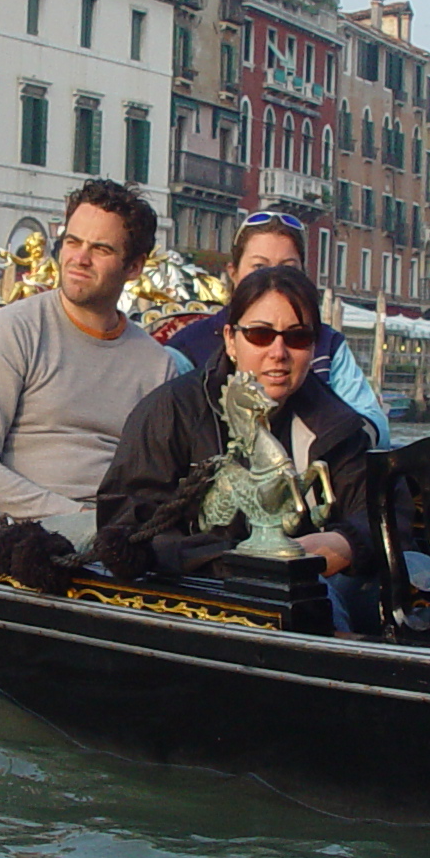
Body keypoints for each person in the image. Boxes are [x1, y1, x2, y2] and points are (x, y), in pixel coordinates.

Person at [98, 265, 375, 624]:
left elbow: (379, 513)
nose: (279, 352)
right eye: (260, 335)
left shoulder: (335, 423)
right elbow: (127, 519)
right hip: (198, 596)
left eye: (297, 337)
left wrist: (341, 544)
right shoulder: (171, 412)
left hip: (312, 584)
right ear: (231, 340)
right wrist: (242, 560)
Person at [0, 181, 185, 547]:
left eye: (100, 249)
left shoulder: (156, 364)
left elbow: (155, 483)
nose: (79, 259)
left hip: (118, 540)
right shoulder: (15, 331)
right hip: (23, 537)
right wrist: (77, 519)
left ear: (134, 266)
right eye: (72, 242)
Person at [166, 211, 389, 444]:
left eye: (288, 268)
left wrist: (337, 446)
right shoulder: (187, 348)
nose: (274, 279)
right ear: (233, 273)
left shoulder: (328, 344)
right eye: (259, 267)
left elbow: (374, 425)